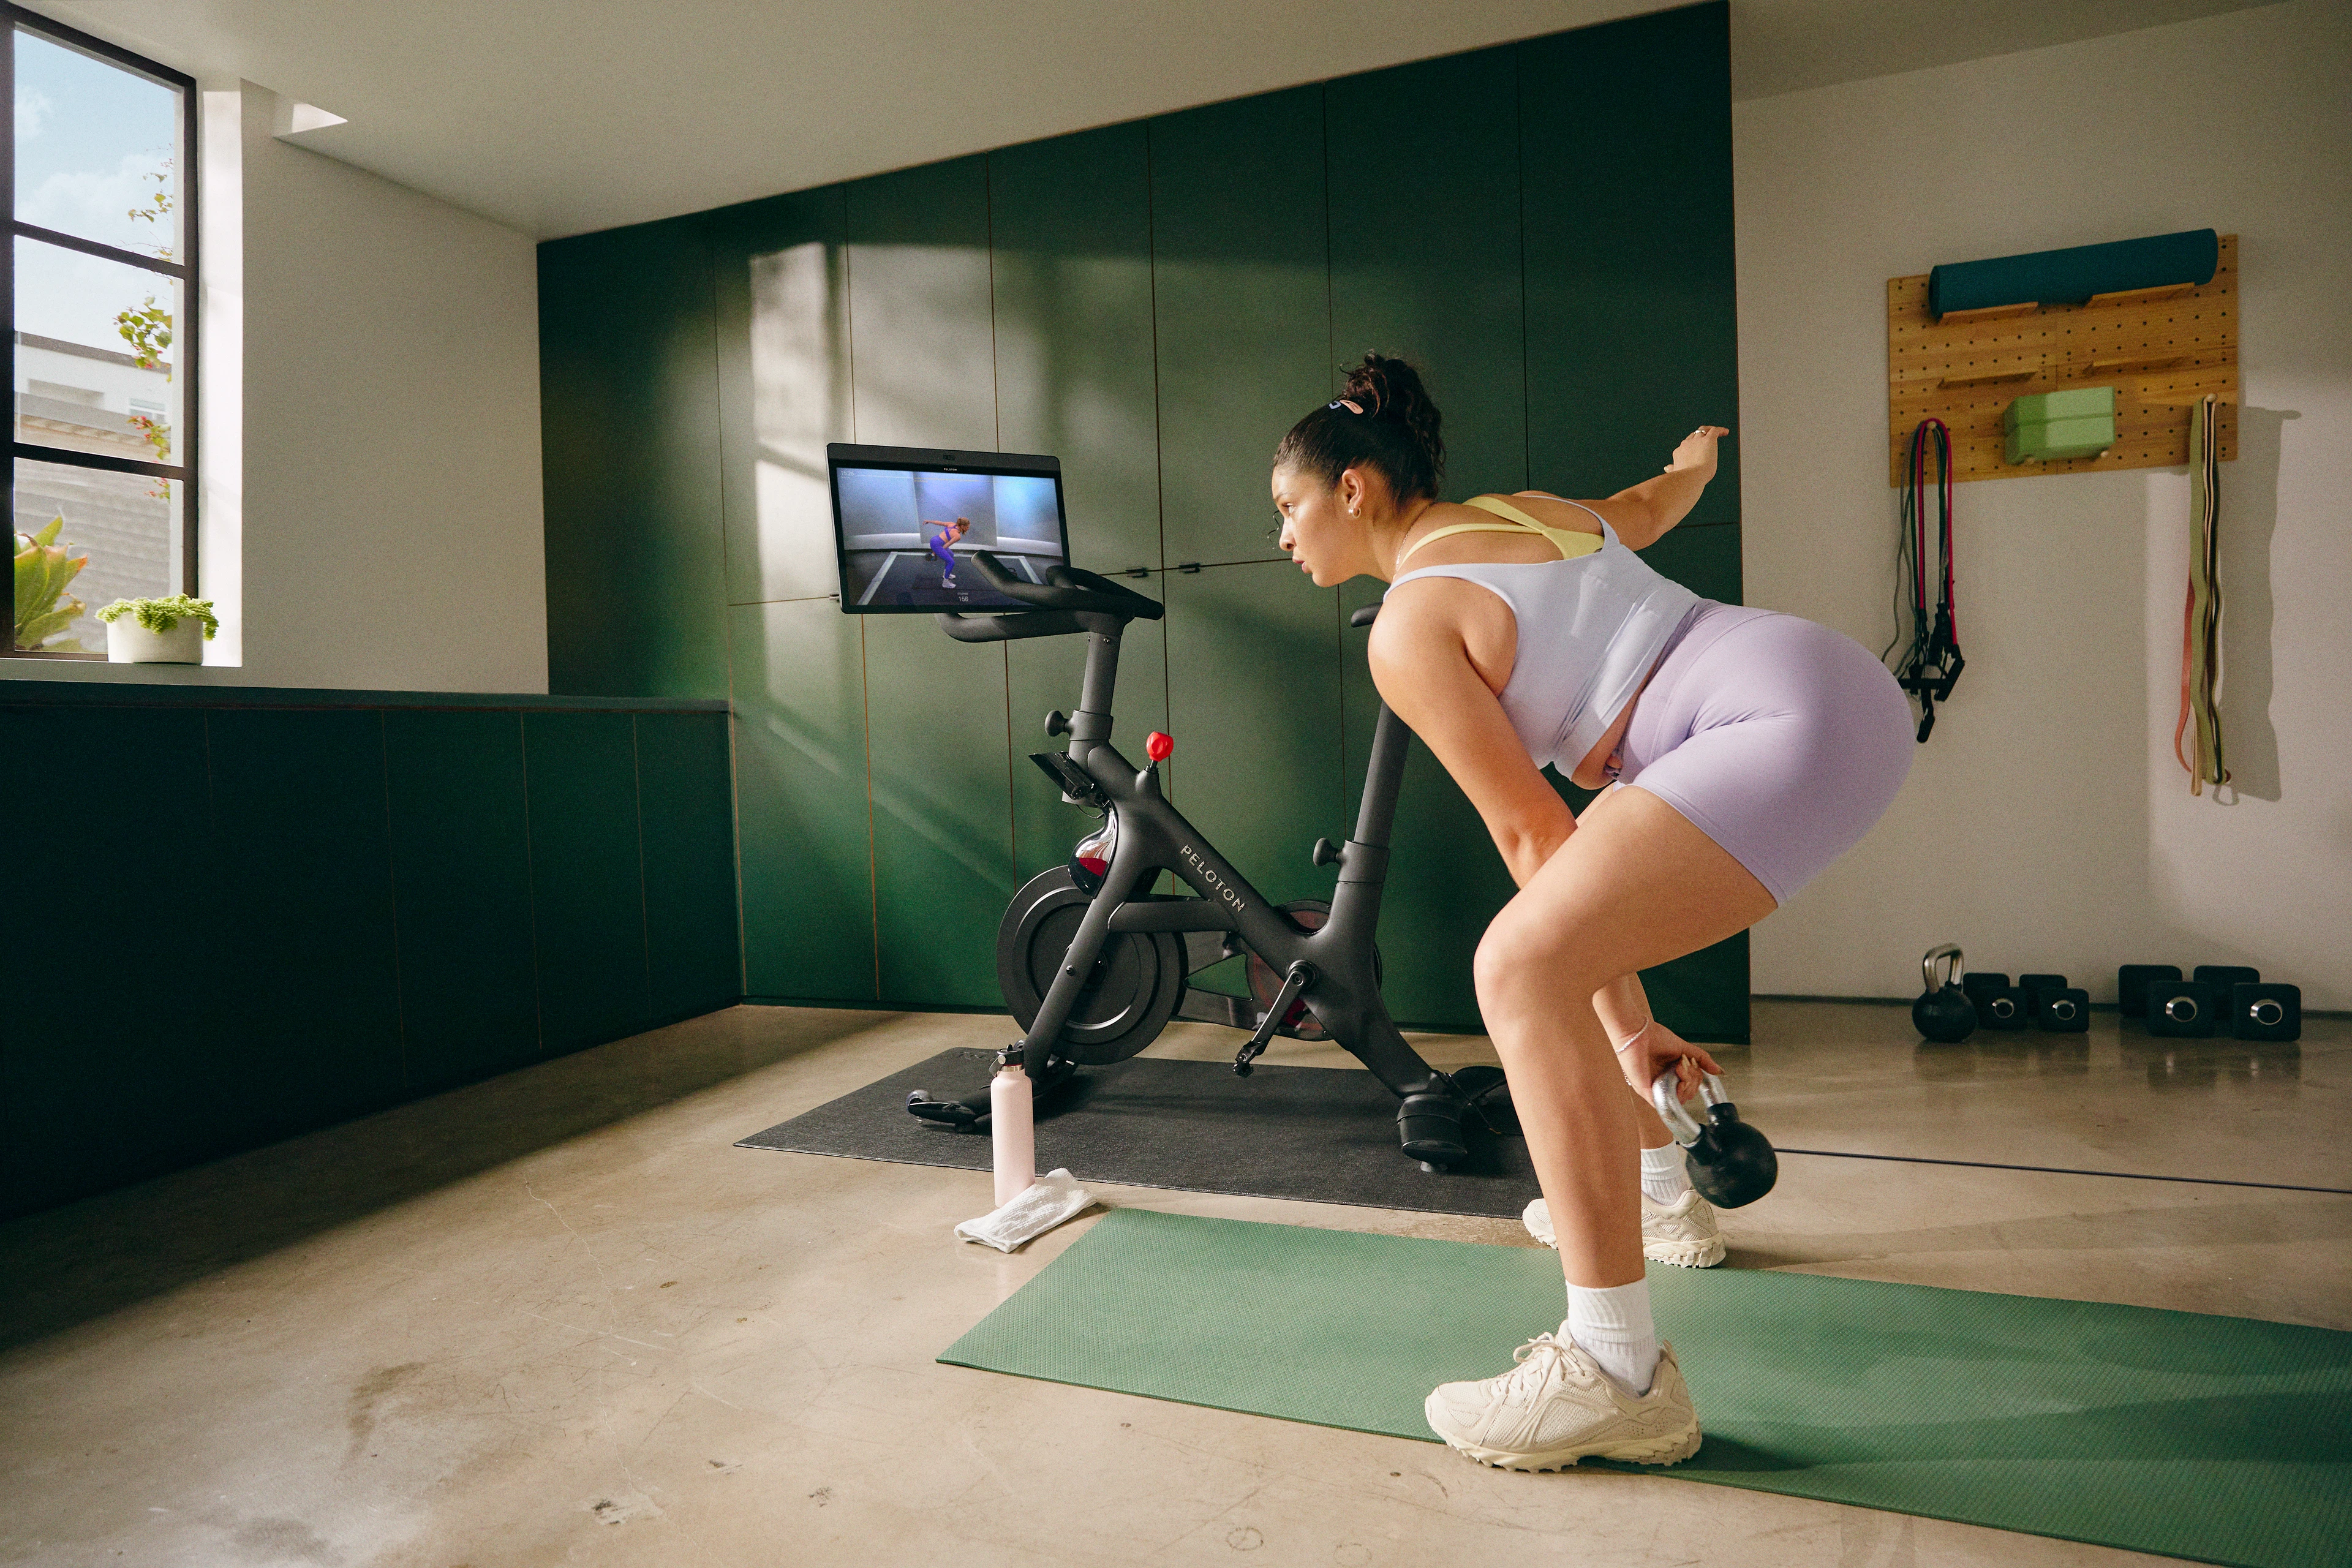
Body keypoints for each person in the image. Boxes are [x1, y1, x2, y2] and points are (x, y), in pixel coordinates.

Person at [1271, 354, 1913, 1472]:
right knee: (1559, 953)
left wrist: (1625, 1027)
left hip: (1757, 727)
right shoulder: (1529, 510)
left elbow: (1535, 841)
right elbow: (1651, 508)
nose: (1284, 535)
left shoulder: (1411, 626)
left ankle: (1615, 1375)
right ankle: (1661, 1196)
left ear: (1356, 489)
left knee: (1520, 970)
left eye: (1290, 508)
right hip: (1838, 690)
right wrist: (1693, 466)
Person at [924, 517, 970, 586]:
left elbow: (939, 523)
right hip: (937, 544)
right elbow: (945, 546)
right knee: (951, 562)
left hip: (935, 539)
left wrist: (929, 521)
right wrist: (935, 552)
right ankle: (945, 583)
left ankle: (946, 574)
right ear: (963, 526)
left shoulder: (952, 524)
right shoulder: (957, 536)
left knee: (951, 555)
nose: (968, 529)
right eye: (967, 527)